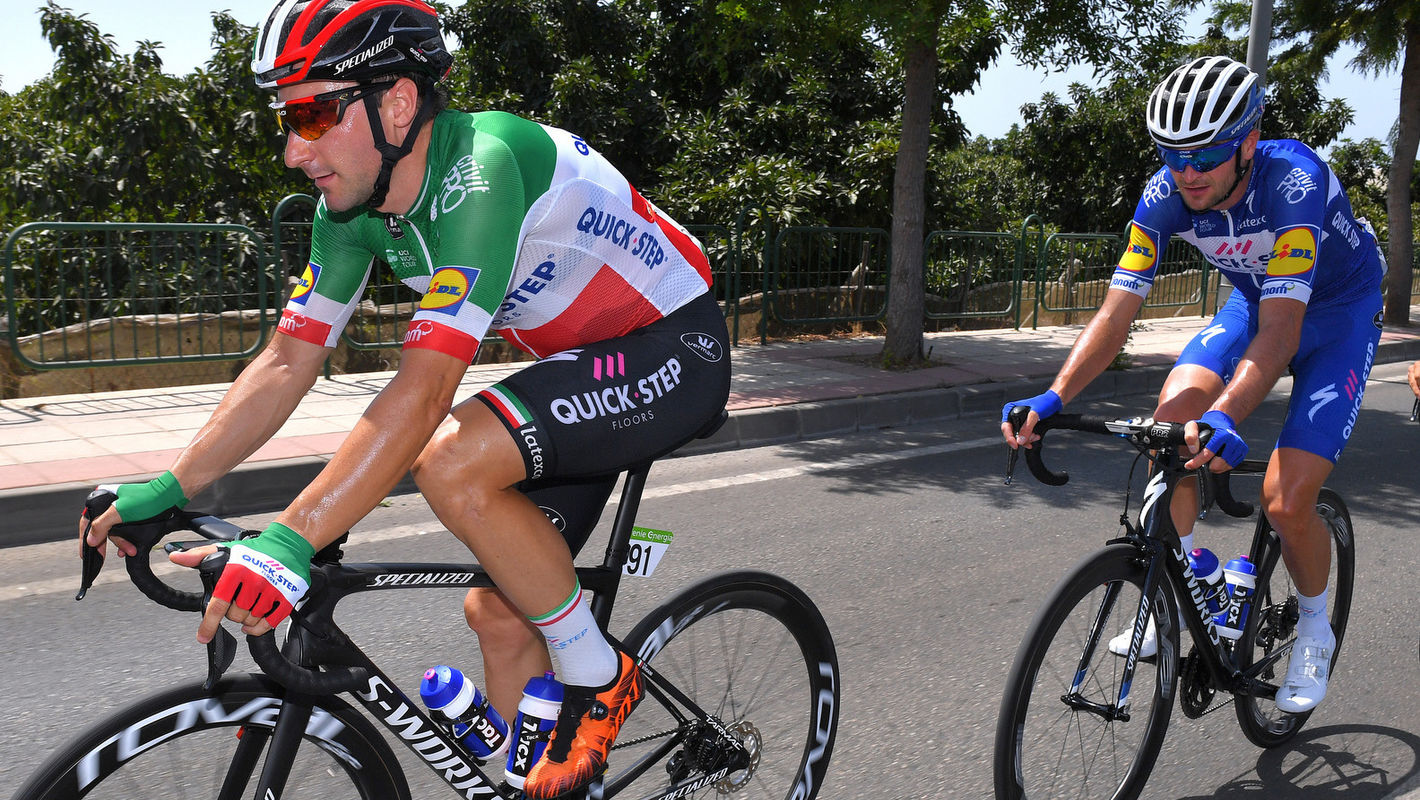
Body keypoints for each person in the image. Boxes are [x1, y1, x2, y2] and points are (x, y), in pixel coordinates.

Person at [78, 1, 730, 796]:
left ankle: (600, 675)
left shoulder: (483, 170)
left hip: (672, 345)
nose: (293, 150)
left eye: (314, 113)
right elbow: (287, 362)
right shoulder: (349, 215)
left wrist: (290, 541)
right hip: (580, 366)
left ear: (395, 103)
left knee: (452, 461)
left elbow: (424, 394)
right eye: (285, 119)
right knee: (499, 614)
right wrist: (170, 487)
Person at [1000, 56, 1384, 714]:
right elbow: (1117, 312)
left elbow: (1284, 332)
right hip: (1251, 306)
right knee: (1166, 430)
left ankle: (1316, 626)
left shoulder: (1294, 183)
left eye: (1206, 156)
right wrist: (1053, 396)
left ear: (1248, 145)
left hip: (1336, 315)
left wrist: (1230, 412)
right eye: (1173, 156)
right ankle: (1182, 586)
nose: (1189, 173)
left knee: (1287, 502)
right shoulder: (1164, 196)